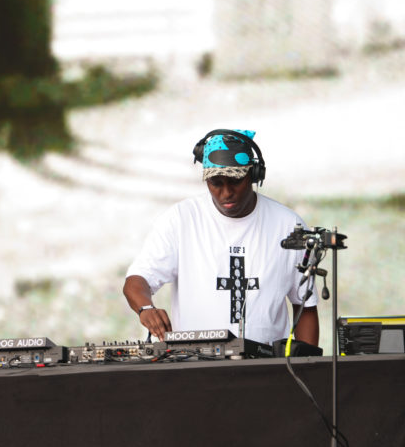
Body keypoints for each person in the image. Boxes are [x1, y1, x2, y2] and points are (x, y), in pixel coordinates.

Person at [123, 129, 319, 348]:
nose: (226, 192)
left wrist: (307, 363)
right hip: (193, 362)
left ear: (254, 175)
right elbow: (137, 280)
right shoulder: (180, 219)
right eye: (216, 183)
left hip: (267, 365)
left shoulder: (288, 225)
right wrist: (146, 308)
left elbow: (305, 306)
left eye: (235, 181)